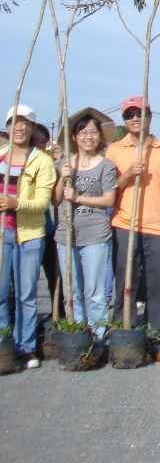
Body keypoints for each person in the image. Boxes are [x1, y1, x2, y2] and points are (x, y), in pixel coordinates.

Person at [106, 96, 160, 362]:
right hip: (125, 225)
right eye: (130, 114)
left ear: (150, 116)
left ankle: (157, 340)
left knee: (156, 286)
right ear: (124, 119)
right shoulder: (115, 150)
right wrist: (127, 175)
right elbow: (108, 190)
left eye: (141, 113)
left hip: (157, 227)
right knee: (126, 283)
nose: (136, 118)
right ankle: (124, 333)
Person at [52, 109, 118, 338]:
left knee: (96, 291)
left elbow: (109, 199)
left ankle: (98, 335)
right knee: (72, 291)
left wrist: (78, 198)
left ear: (99, 136)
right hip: (66, 234)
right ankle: (77, 332)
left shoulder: (106, 165)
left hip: (95, 235)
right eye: (83, 133)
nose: (88, 137)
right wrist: (62, 177)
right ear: (74, 137)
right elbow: (56, 200)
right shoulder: (63, 163)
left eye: (93, 132)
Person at [0, 105, 57, 369]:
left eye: (25, 123)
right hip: (3, 234)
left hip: (30, 235)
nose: (19, 128)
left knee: (26, 293)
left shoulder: (41, 161)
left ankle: (26, 347)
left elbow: (42, 203)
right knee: (1, 293)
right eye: (14, 123)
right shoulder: (1, 156)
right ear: (8, 128)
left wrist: (15, 203)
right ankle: (4, 343)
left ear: (32, 128)